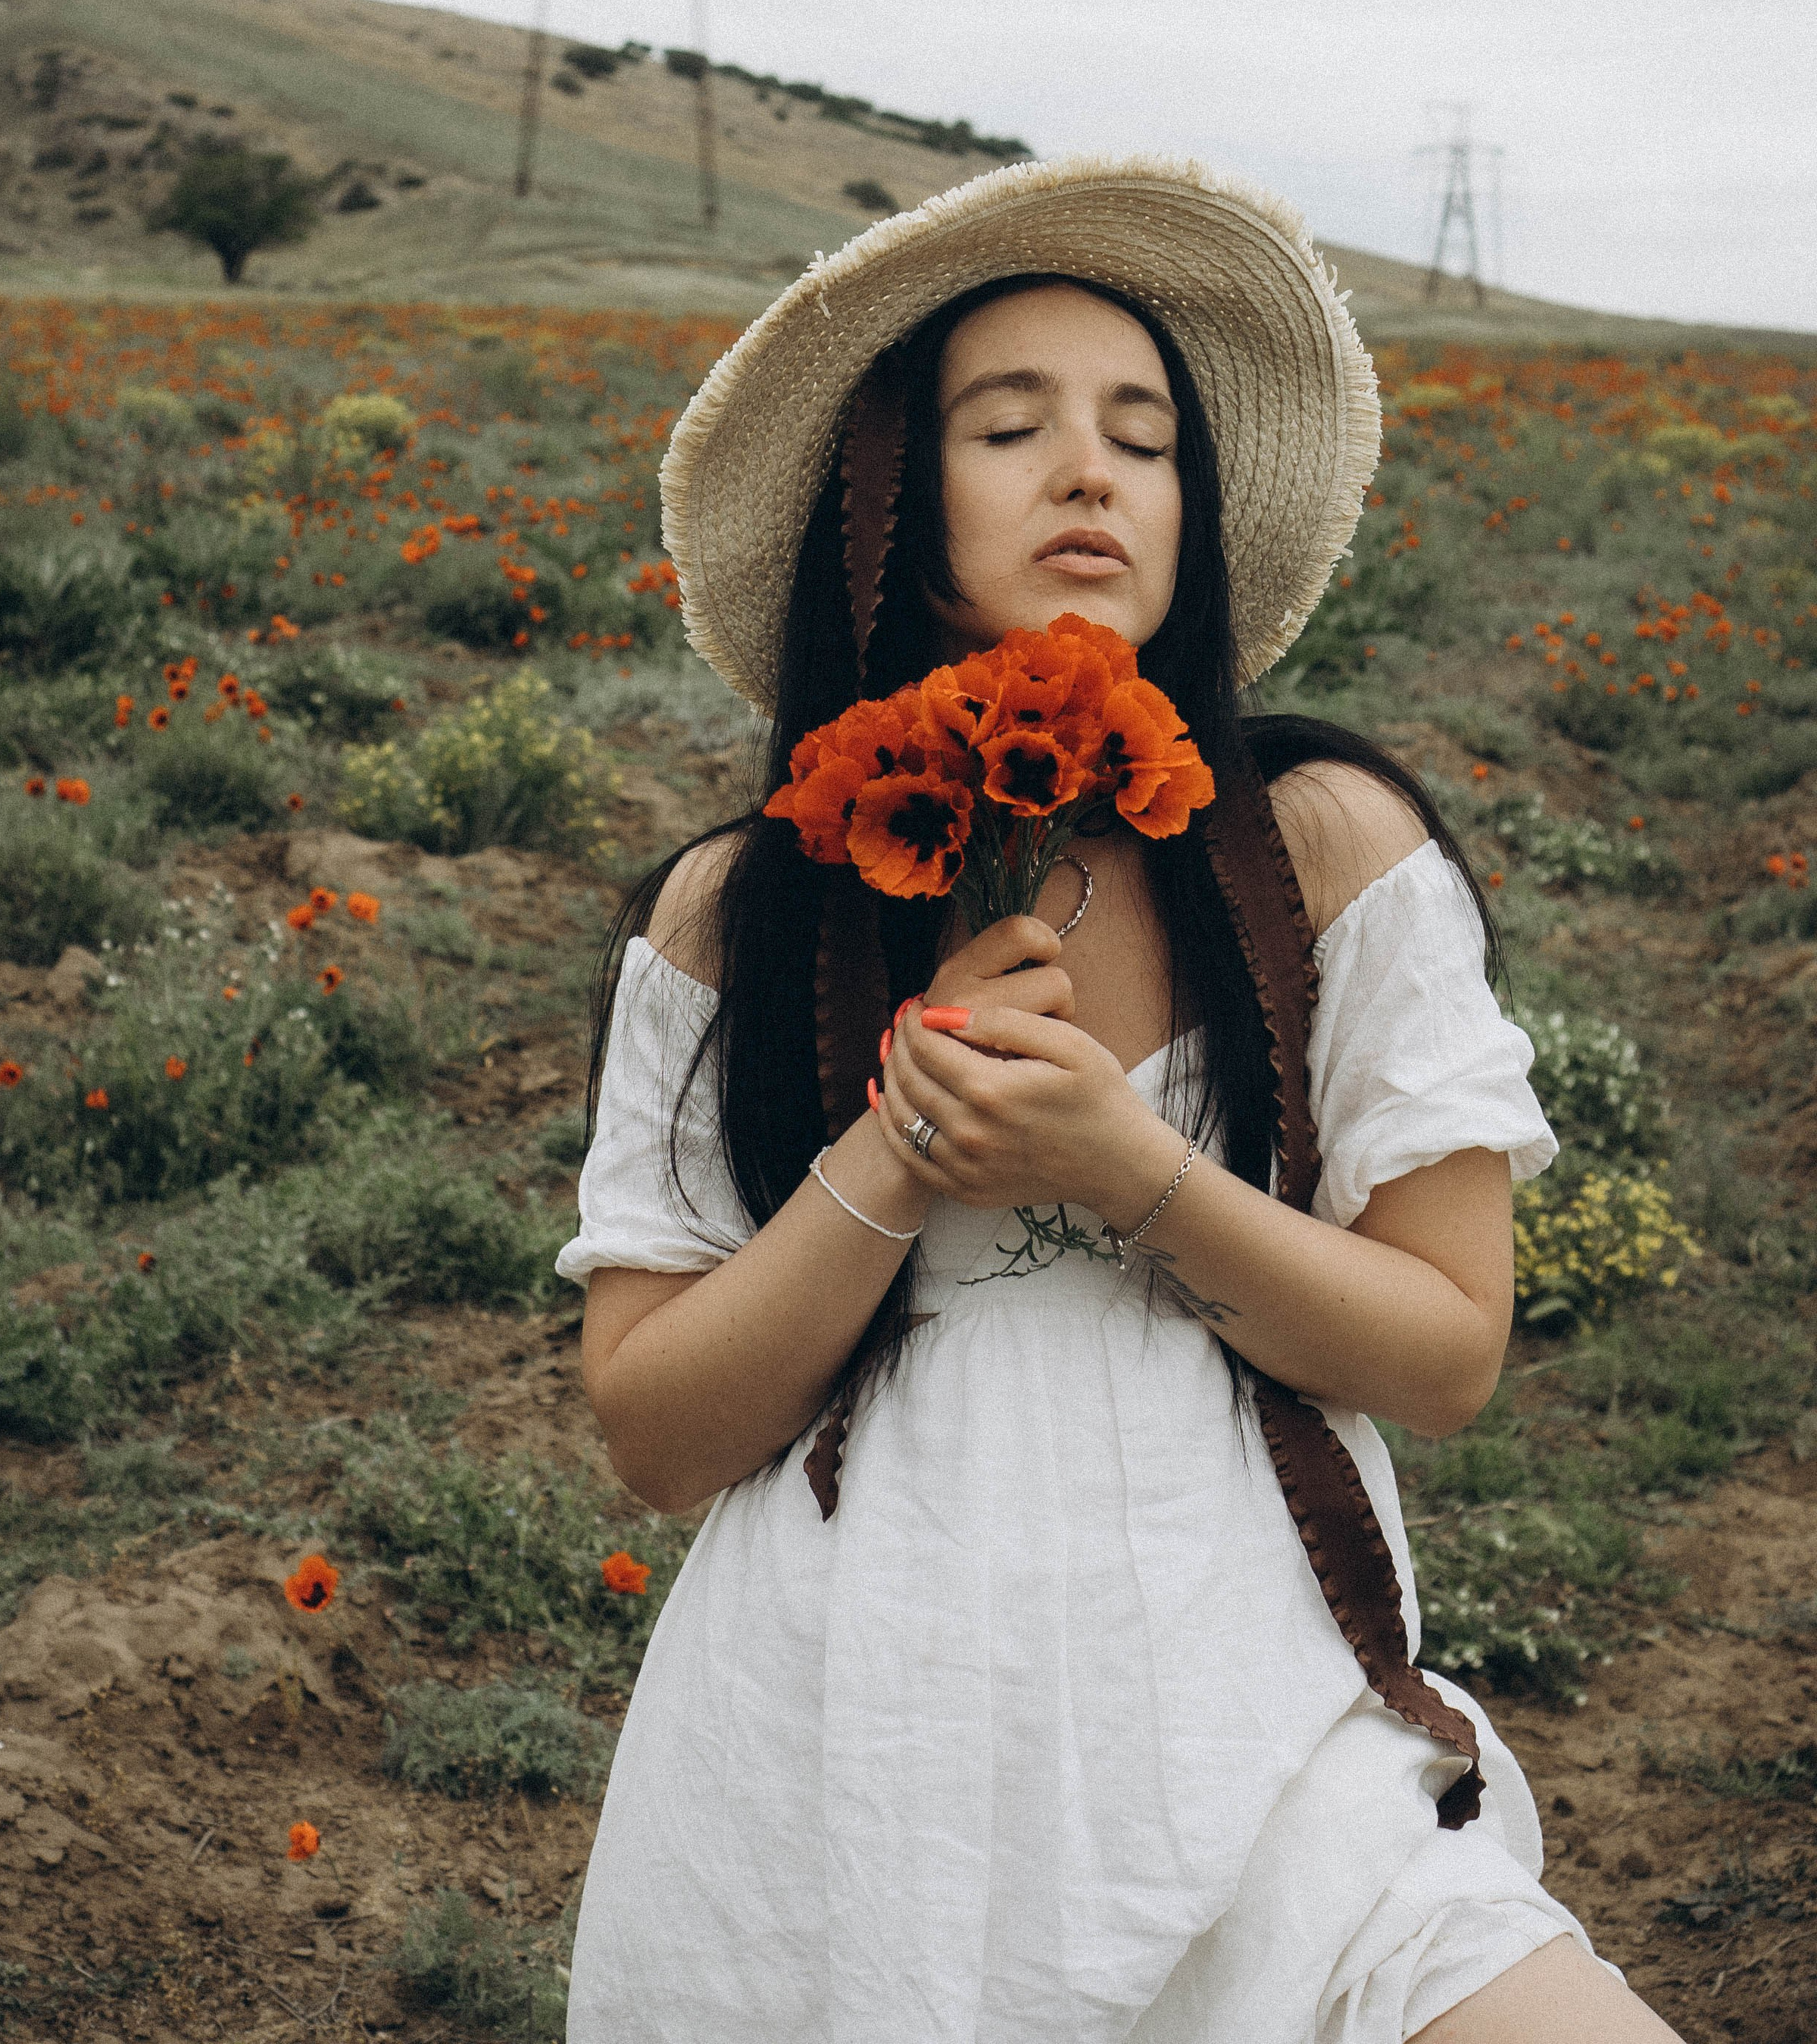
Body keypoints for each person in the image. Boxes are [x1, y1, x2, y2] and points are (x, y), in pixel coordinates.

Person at [556, 155, 1679, 2041]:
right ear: (892, 512)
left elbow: (1444, 1352)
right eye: (1014, 426)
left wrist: (1127, 1171)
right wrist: (895, 1157)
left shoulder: (1323, 854)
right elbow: (659, 1436)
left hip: (1258, 1719)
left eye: (1142, 440)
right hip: (850, 1749)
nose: (1091, 471)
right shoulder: (739, 914)